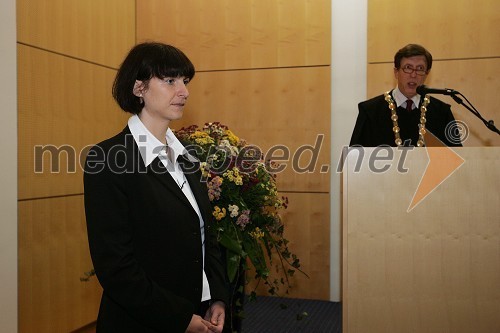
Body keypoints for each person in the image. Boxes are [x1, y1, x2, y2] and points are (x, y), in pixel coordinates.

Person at [84, 42, 228, 333]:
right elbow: (116, 267)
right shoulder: (108, 159)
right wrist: (178, 318)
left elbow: (206, 236)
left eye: (185, 81)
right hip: (144, 321)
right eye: (170, 80)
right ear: (139, 88)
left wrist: (217, 297)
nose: (184, 91)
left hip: (200, 312)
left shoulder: (188, 155)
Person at [350, 43, 462, 147]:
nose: (413, 75)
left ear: (426, 74)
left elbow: (458, 160)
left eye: (420, 69)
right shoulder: (370, 111)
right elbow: (355, 161)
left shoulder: (442, 113)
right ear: (396, 72)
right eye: (408, 67)